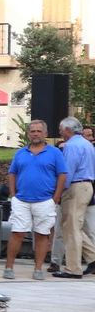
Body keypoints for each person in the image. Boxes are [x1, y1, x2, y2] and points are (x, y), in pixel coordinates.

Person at [4, 119, 66, 280]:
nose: (36, 134)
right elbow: (12, 173)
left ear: (45, 134)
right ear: (28, 134)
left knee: (42, 234)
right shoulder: (20, 153)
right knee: (17, 233)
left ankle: (38, 269)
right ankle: (9, 267)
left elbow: (62, 175)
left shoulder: (55, 153)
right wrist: (13, 194)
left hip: (45, 200)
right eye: (33, 131)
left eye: (39, 131)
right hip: (21, 200)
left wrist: (56, 197)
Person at [55, 117, 95, 278]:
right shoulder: (87, 144)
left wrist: (59, 191)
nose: (60, 133)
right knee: (75, 226)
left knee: (71, 228)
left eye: (61, 130)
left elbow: (67, 171)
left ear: (68, 130)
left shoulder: (71, 146)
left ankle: (73, 268)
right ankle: (92, 258)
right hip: (87, 186)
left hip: (75, 187)